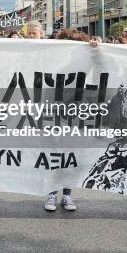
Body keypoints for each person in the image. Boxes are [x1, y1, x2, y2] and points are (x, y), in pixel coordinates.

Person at [43, 28, 98, 213]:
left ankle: (67, 193)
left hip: (76, 115)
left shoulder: (86, 63)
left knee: (71, 157)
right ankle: (51, 193)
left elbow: (103, 68)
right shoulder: (54, 62)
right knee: (55, 155)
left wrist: (95, 50)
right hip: (54, 114)